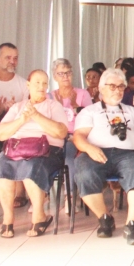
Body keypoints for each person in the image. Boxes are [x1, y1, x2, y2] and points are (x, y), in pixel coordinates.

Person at [72, 69, 134, 245]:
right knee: (83, 171)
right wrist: (89, 149)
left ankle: (132, 224)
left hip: (127, 154)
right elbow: (78, 137)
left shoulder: (132, 111)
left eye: (121, 86)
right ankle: (104, 218)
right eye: (112, 86)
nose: (118, 90)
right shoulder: (89, 111)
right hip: (97, 151)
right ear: (101, 88)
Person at [0, 70, 69, 238]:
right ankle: (8, 220)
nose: (41, 87)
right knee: (2, 167)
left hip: (46, 150)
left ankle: (39, 216)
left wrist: (36, 115)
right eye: (37, 83)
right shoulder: (18, 107)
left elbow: (61, 132)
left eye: (44, 83)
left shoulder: (54, 106)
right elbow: (1, 133)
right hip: (17, 148)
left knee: (31, 166)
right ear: (28, 85)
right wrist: (21, 120)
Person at [0, 42, 30, 209]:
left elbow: (27, 113)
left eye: (15, 58)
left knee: (22, 141)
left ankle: (20, 192)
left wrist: (14, 109)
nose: (12, 61)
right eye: (8, 58)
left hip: (16, 128)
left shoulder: (24, 84)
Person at [50, 59, 93, 213]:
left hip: (76, 136)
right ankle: (40, 198)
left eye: (68, 72)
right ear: (54, 76)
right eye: (61, 73)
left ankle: (70, 198)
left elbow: (91, 119)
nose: (65, 76)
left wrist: (75, 106)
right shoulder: (50, 96)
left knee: (69, 154)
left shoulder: (82, 94)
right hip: (55, 137)